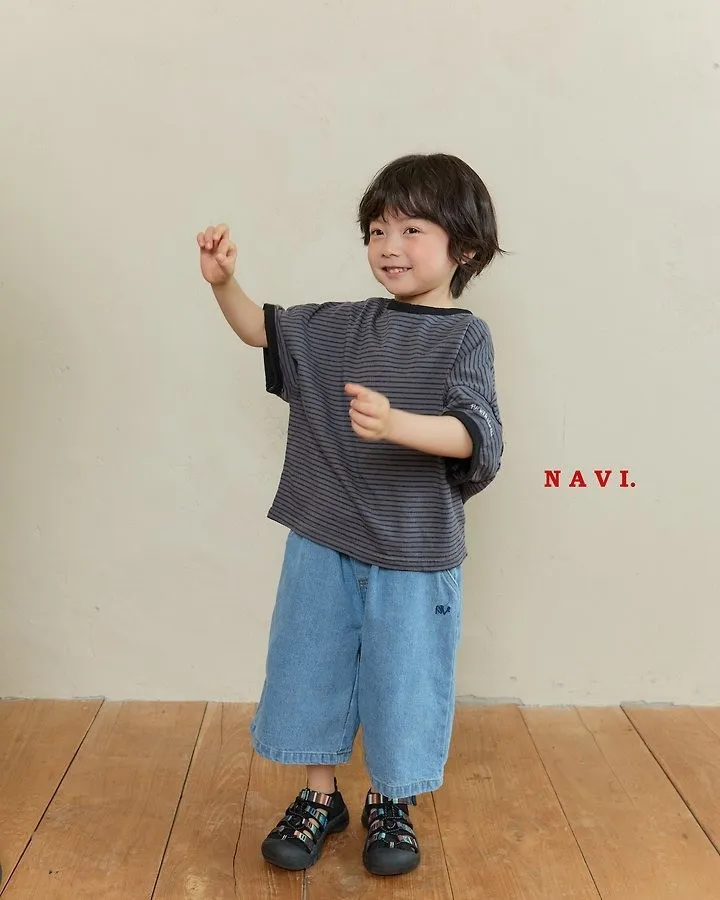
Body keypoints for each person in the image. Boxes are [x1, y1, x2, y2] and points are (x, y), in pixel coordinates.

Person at [196, 152, 504, 877]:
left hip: (413, 548)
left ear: (464, 248)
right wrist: (224, 283)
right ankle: (320, 796)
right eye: (377, 230)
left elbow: (476, 435)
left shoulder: (464, 337)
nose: (389, 246)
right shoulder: (340, 325)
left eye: (412, 230)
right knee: (312, 663)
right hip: (325, 533)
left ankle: (391, 801)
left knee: (405, 678)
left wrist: (397, 424)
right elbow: (262, 330)